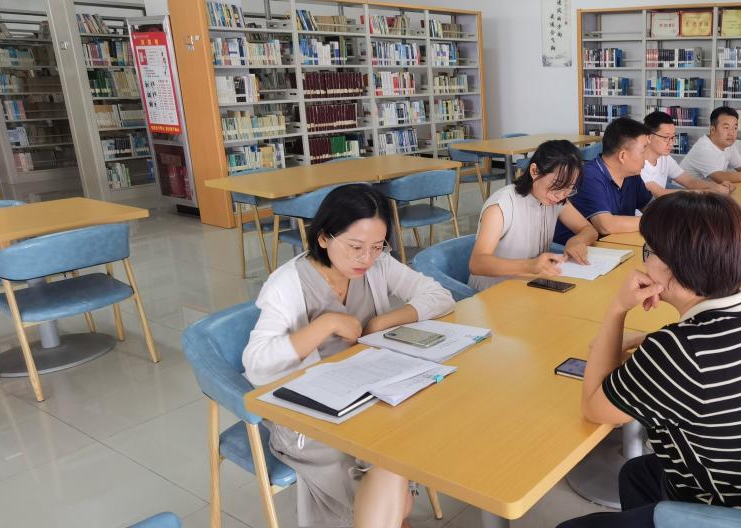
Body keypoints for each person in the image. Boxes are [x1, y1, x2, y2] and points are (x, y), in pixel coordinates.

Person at [560, 192, 741, 528]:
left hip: (738, 518)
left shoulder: (678, 351)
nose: (645, 261)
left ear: (673, 266)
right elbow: (706, 360)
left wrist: (618, 307)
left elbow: (593, 407)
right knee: (636, 474)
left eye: (649, 251)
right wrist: (647, 344)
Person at [241, 184, 454, 528]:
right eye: (356, 247)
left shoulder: (378, 264)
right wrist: (325, 324)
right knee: (390, 475)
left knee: (399, 457)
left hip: (368, 396)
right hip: (309, 413)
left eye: (377, 246)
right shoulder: (287, 284)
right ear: (324, 237)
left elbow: (439, 296)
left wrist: (384, 321)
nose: (366, 259)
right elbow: (256, 363)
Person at [468, 139, 597, 290]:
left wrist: (577, 240)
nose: (560, 195)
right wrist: (529, 266)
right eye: (556, 185)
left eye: (569, 187)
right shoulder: (501, 206)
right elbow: (477, 263)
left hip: (529, 287)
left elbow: (589, 230)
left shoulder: (556, 199)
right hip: (491, 292)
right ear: (534, 171)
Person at [553, 117, 653, 244]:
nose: (646, 158)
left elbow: (652, 209)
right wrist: (652, 221)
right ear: (623, 156)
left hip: (615, 245)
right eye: (643, 151)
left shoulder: (632, 175)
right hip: (575, 250)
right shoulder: (590, 176)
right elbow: (606, 225)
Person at [640, 110, 734, 196]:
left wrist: (717, 187)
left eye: (673, 137)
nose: (671, 143)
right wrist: (707, 191)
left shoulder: (665, 158)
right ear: (649, 137)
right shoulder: (639, 164)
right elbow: (659, 193)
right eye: (666, 138)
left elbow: (689, 181)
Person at [679, 106, 741, 184]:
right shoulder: (703, 148)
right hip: (685, 194)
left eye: (735, 128)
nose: (732, 133)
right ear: (713, 129)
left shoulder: (727, 145)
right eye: (726, 128)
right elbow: (721, 178)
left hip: (707, 191)